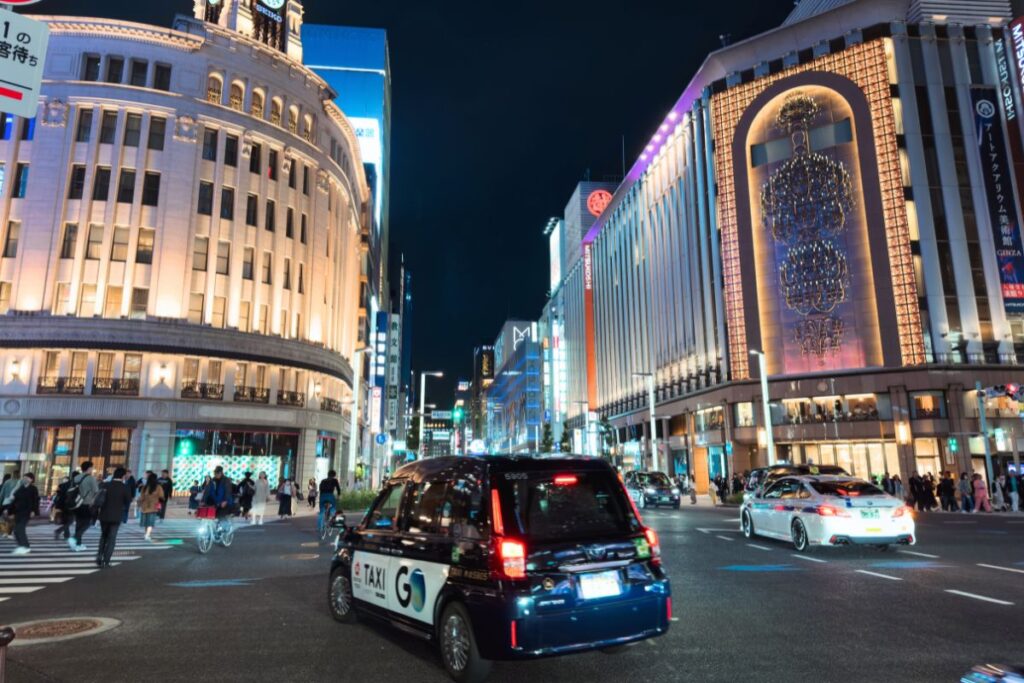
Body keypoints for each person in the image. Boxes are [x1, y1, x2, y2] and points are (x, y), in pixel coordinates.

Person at [95, 467, 132, 568]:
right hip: (116, 516)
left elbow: (98, 497)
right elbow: (128, 501)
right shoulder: (125, 487)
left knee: (103, 536)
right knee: (112, 538)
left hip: (104, 515)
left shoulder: (105, 485)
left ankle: (99, 557)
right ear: (123, 476)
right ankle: (106, 561)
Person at [70, 461, 99, 552]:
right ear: (89, 468)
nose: (92, 469)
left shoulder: (76, 477)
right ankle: (74, 538)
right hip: (87, 503)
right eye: (92, 468)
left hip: (76, 503)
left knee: (79, 523)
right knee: (88, 523)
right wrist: (93, 500)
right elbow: (96, 491)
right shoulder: (91, 478)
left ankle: (78, 544)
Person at [11, 473, 39, 555]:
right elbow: (14, 500)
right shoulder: (20, 488)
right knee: (16, 530)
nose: (24, 479)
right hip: (18, 512)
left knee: (20, 528)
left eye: (26, 478)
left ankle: (26, 546)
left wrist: (34, 511)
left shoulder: (33, 489)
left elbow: (36, 500)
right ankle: (21, 545)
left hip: (27, 512)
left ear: (31, 479)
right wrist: (10, 511)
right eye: (24, 478)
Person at [138, 472, 165, 541]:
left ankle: (146, 534)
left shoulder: (144, 487)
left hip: (144, 507)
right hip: (153, 507)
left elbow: (141, 498)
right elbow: (161, 496)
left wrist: (139, 505)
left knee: (146, 523)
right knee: (150, 523)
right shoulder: (158, 487)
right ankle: (147, 535)